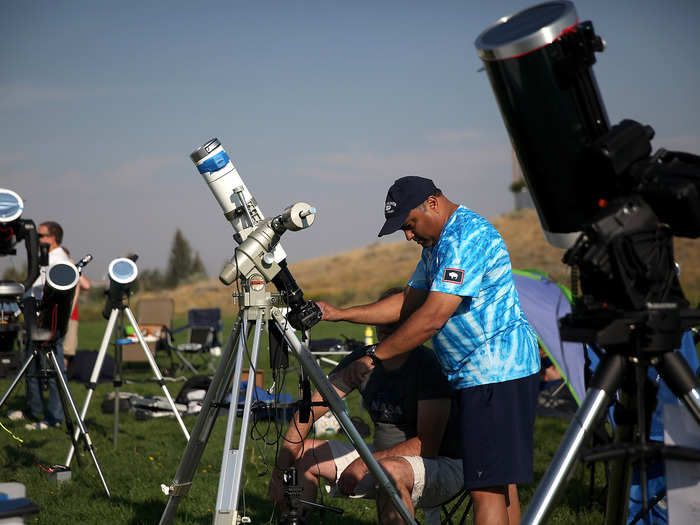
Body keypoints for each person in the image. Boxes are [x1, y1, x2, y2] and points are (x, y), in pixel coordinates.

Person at [316, 176, 541, 525]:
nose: (408, 236)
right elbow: (407, 302)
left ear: (432, 204)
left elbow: (432, 317)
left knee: (485, 489)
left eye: (409, 225)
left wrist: (374, 357)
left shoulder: (465, 236)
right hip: (484, 375)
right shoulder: (436, 245)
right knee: (499, 484)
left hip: (495, 372)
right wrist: (340, 313)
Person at [268, 287, 463, 525]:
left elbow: (427, 446)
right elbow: (309, 412)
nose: (384, 329)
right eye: (381, 321)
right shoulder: (362, 361)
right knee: (305, 454)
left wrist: (364, 464)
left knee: (389, 472)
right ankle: (296, 519)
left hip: (440, 465)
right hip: (380, 457)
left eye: (392, 322)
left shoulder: (428, 366)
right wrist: (280, 471)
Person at [9, 221, 87, 430]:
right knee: (31, 367)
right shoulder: (45, 258)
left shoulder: (58, 260)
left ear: (52, 239)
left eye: (40, 236)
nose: (36, 240)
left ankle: (54, 417)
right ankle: (33, 409)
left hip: (48, 322)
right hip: (35, 318)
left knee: (53, 371)